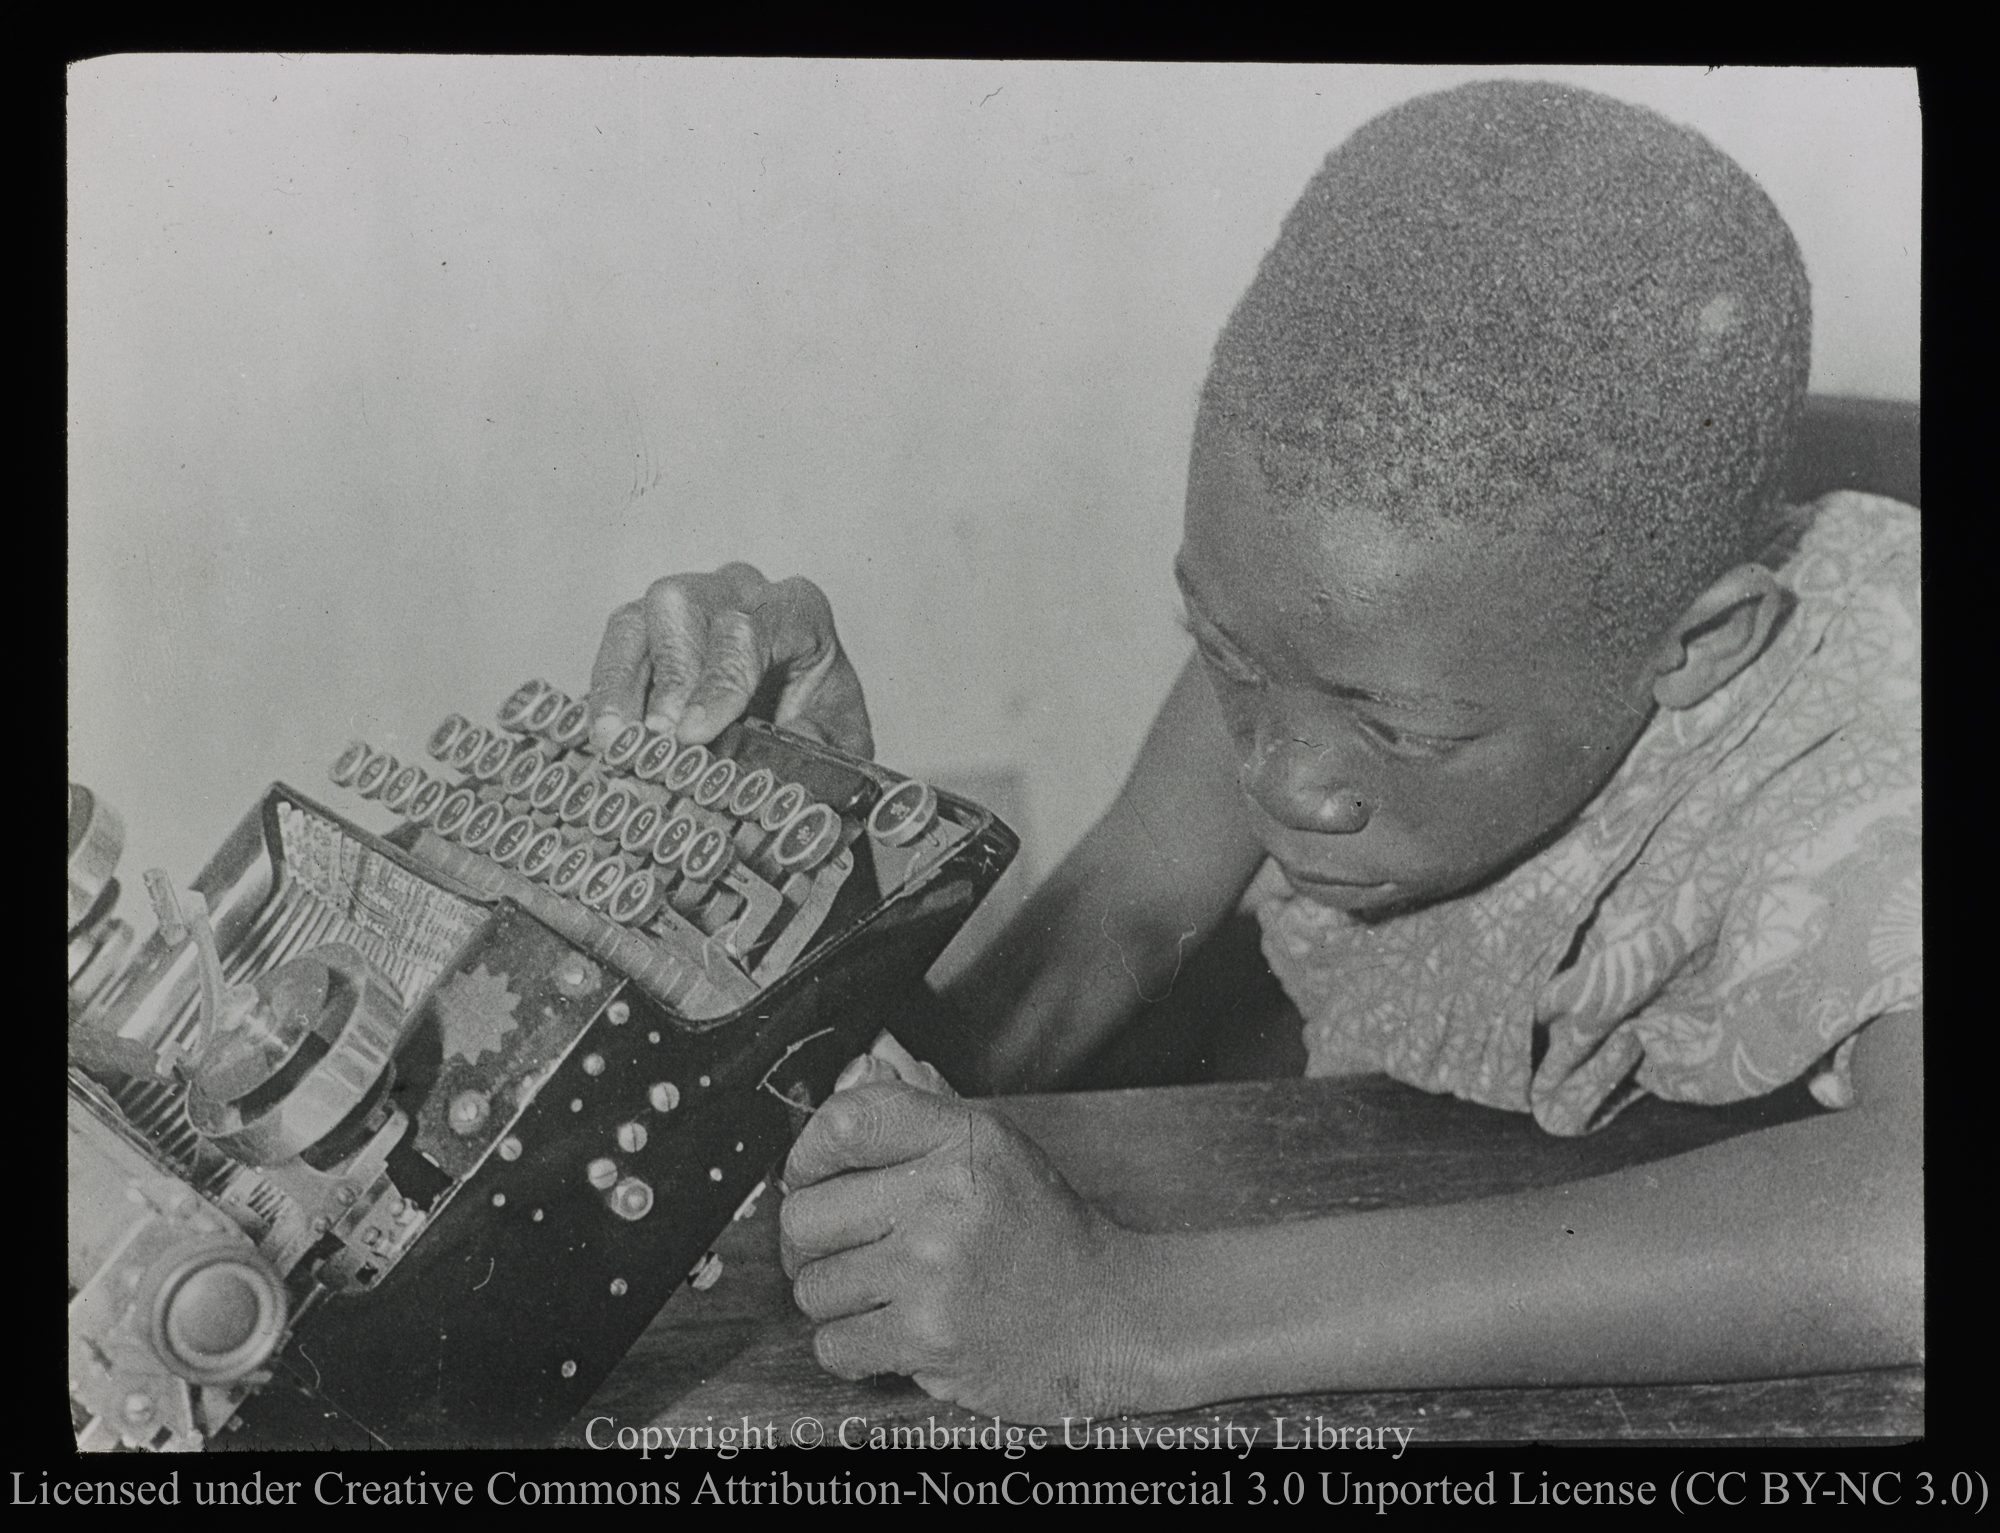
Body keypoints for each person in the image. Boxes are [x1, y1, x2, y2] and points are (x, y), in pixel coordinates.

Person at [585, 81, 1921, 1421]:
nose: (1278, 775)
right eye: (1225, 653)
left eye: (1396, 729)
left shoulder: (1863, 728)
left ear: (1698, 647)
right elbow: (1109, 937)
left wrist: (1137, 1315)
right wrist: (835, 870)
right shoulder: (1335, 640)